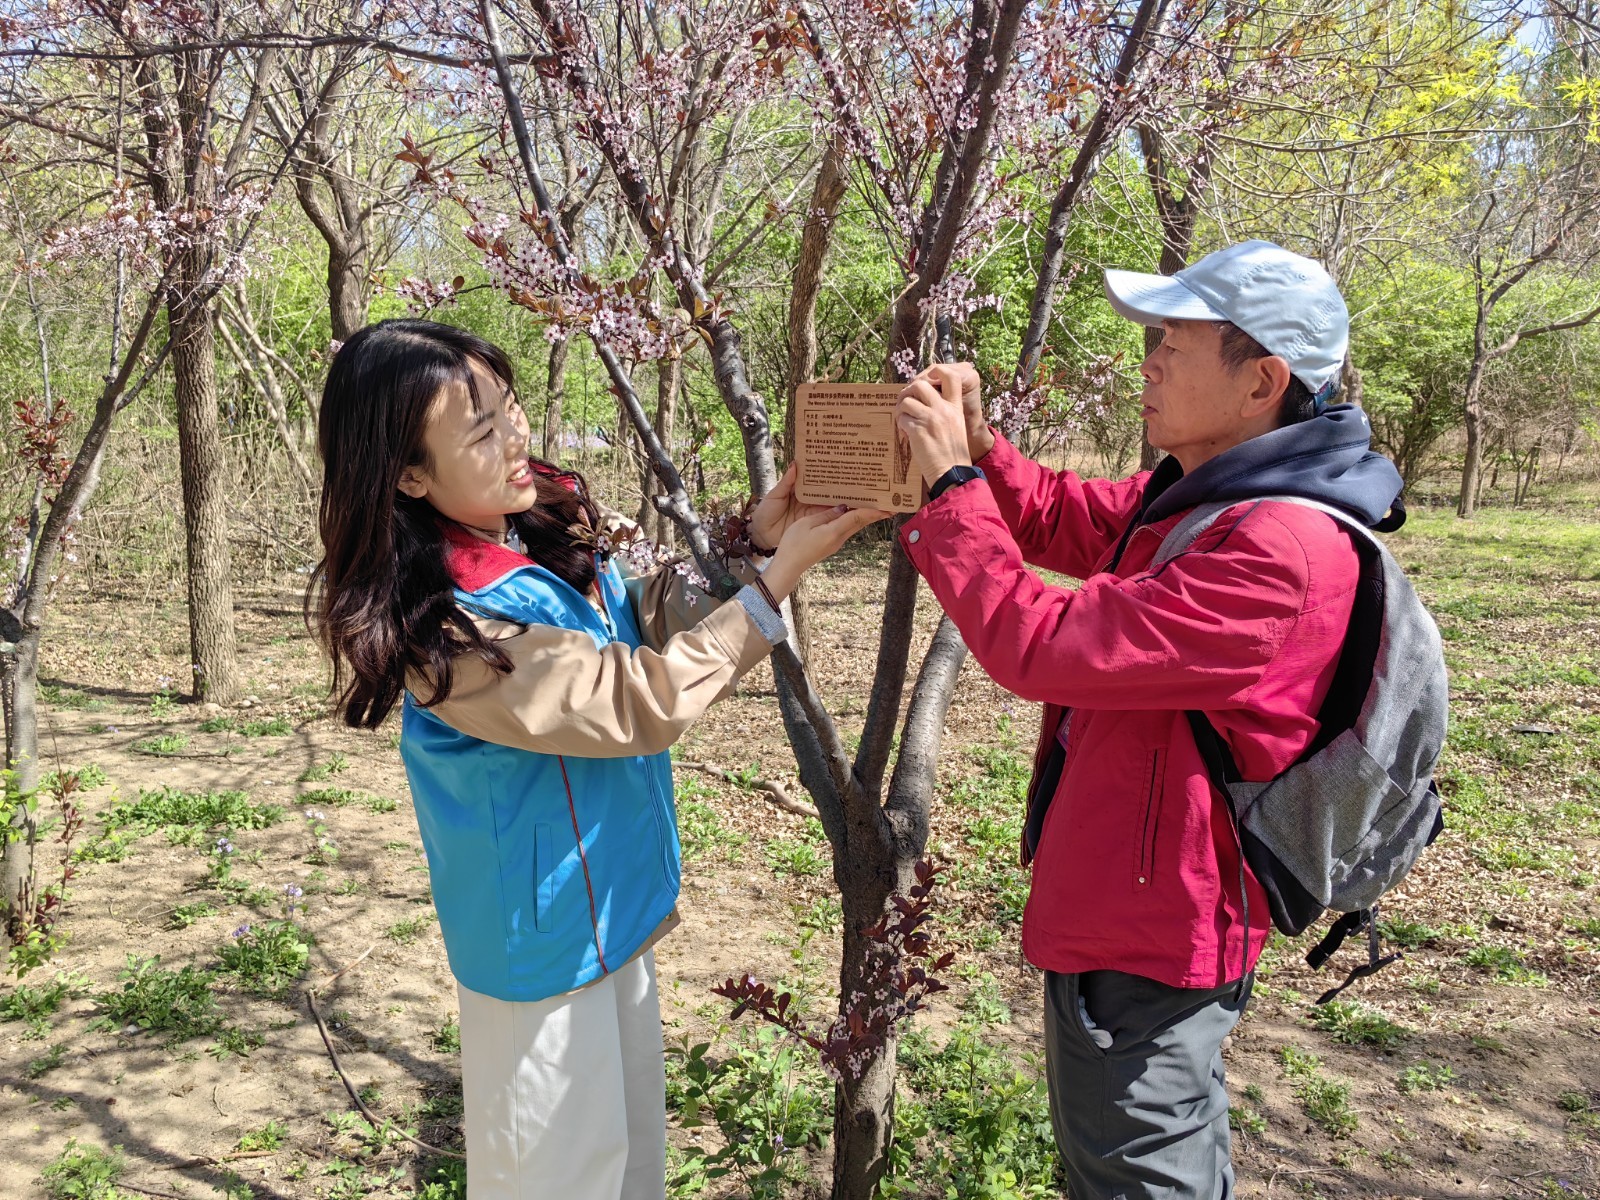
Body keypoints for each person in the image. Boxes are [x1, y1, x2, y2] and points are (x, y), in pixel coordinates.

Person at [309, 318, 884, 1200]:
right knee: (557, 1180)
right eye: (481, 431)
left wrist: (749, 551)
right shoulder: (451, 630)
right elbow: (636, 701)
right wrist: (773, 589)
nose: (516, 440)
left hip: (610, 916)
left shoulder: (525, 540)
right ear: (408, 475)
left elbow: (632, 626)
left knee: (628, 1166)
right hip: (537, 952)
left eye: (510, 409)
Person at [892, 241, 1406, 1199]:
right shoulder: (1212, 496)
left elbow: (1041, 642)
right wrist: (984, 448)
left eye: (1175, 337)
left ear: (1261, 380)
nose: (1151, 357)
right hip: (1140, 907)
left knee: (1140, 1175)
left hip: (1152, 936)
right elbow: (1064, 519)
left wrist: (953, 489)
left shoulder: (1277, 551)